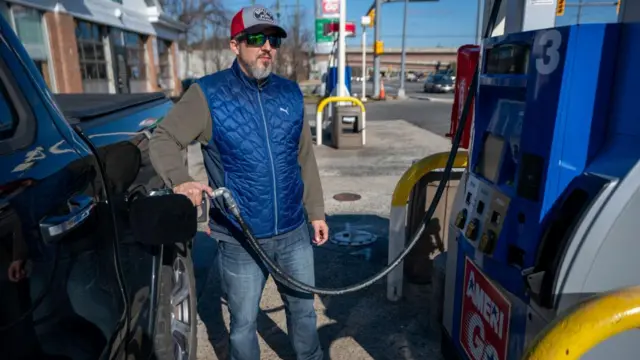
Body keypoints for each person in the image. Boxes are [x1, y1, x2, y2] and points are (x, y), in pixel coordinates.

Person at [148, 5, 328, 360]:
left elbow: (304, 157)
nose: (267, 48)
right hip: (240, 239)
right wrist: (181, 180)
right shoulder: (207, 94)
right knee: (244, 324)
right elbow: (164, 137)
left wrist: (317, 212)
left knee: (304, 315)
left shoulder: (291, 95)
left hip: (294, 233)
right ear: (235, 45)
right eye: (256, 39)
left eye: (273, 40)